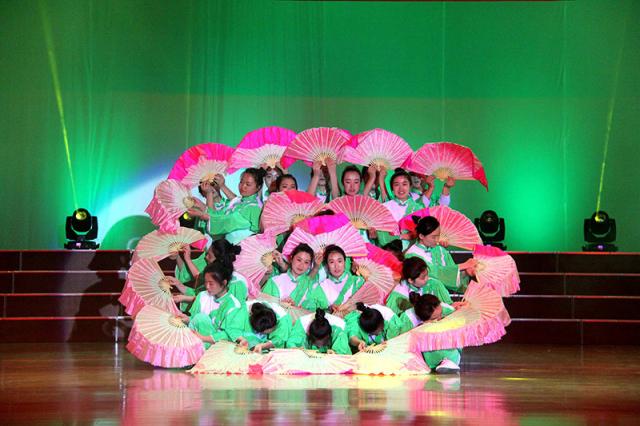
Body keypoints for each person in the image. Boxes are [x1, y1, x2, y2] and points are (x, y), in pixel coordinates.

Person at [388, 292, 462, 374]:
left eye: (441, 314)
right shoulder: (408, 319)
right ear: (424, 319)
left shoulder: (442, 307)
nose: (440, 318)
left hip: (447, 349)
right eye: (435, 318)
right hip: (423, 353)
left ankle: (447, 360)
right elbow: (402, 341)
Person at [181, 261, 246, 349]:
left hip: (218, 347)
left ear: (224, 283)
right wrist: (187, 319)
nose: (207, 286)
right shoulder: (202, 296)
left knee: (201, 318)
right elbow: (194, 320)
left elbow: (230, 334)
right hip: (196, 340)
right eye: (205, 282)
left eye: (211, 283)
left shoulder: (234, 305)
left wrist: (203, 338)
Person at [405, 216, 476, 293]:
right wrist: (463, 265)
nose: (437, 240)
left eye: (438, 235)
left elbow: (451, 276)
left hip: (443, 294)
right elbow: (434, 273)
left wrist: (465, 273)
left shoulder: (440, 250)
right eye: (433, 237)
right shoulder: (411, 255)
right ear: (421, 236)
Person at [208, 168, 265, 244]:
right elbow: (235, 200)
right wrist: (220, 186)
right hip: (229, 245)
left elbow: (258, 232)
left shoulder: (255, 207)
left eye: (248, 184)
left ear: (258, 187)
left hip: (242, 247)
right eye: (241, 182)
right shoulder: (240, 202)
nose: (243, 186)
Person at [301, 245, 365, 313]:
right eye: (331, 262)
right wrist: (329, 310)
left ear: (344, 262)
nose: (336, 266)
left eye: (339, 261)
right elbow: (310, 309)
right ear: (327, 265)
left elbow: (367, 303)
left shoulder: (358, 281)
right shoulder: (322, 287)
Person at [386, 257, 452, 315]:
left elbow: (449, 305)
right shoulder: (397, 296)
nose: (427, 279)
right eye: (423, 278)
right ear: (410, 280)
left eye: (427, 274)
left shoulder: (435, 284)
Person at [286, 309, 351, 354]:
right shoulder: (302, 324)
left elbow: (342, 353)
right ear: (309, 334)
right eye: (316, 344)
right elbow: (291, 344)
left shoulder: (339, 327)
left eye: (323, 343)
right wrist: (295, 349)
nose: (319, 347)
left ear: (329, 335)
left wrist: (336, 354)